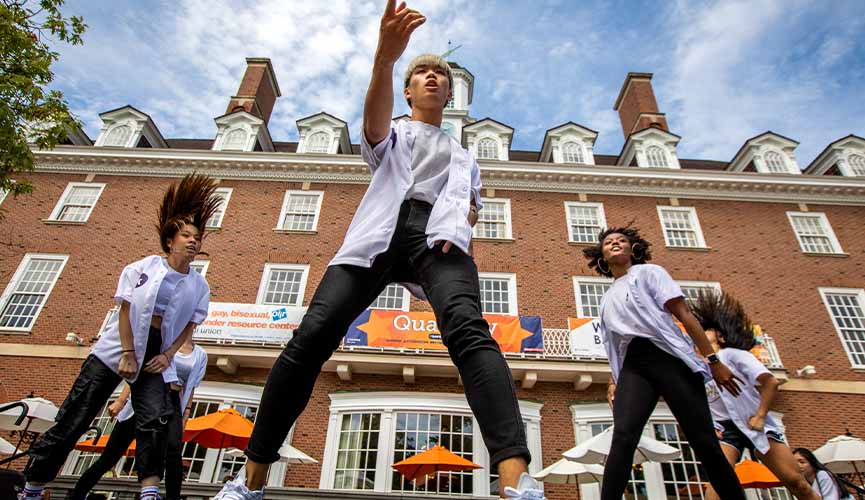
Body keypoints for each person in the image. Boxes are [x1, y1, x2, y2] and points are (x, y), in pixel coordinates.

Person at [211, 2, 543, 499]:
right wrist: (385, 59)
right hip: (379, 233)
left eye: (440, 75)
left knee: (470, 333)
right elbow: (372, 123)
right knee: (312, 336)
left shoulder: (466, 157)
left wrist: (463, 227)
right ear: (408, 89)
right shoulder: (393, 134)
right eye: (422, 72)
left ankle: (517, 483)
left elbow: (471, 210)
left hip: (439, 239)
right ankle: (251, 480)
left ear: (449, 93)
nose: (432, 78)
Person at [19, 173, 218, 500]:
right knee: (76, 417)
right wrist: (127, 352)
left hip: (157, 354)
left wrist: (167, 356)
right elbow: (125, 311)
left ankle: (149, 491)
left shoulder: (200, 285)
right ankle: (33, 486)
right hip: (116, 347)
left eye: (197, 237)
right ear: (170, 240)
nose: (194, 241)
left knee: (154, 421)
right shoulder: (142, 267)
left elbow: (190, 325)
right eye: (186, 235)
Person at [582, 226, 746, 500]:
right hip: (635, 366)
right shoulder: (607, 296)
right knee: (622, 437)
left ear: (633, 249)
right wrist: (615, 380)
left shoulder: (650, 272)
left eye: (621, 240)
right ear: (601, 255)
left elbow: (684, 314)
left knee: (704, 442)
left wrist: (713, 360)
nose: (615, 243)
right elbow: (616, 345)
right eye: (609, 242)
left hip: (670, 359)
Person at [692, 291, 819, 500]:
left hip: (753, 423)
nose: (701, 334)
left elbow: (770, 382)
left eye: (708, 330)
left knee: (797, 484)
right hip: (726, 430)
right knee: (714, 492)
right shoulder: (698, 368)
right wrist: (710, 426)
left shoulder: (733, 355)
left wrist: (760, 415)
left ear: (721, 336)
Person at [70, 335, 208, 500]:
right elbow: (140, 374)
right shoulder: (164, 341)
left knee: (173, 454)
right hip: (147, 398)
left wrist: (186, 413)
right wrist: (121, 401)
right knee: (110, 456)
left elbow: (191, 386)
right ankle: (77, 494)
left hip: (172, 402)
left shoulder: (200, 354)